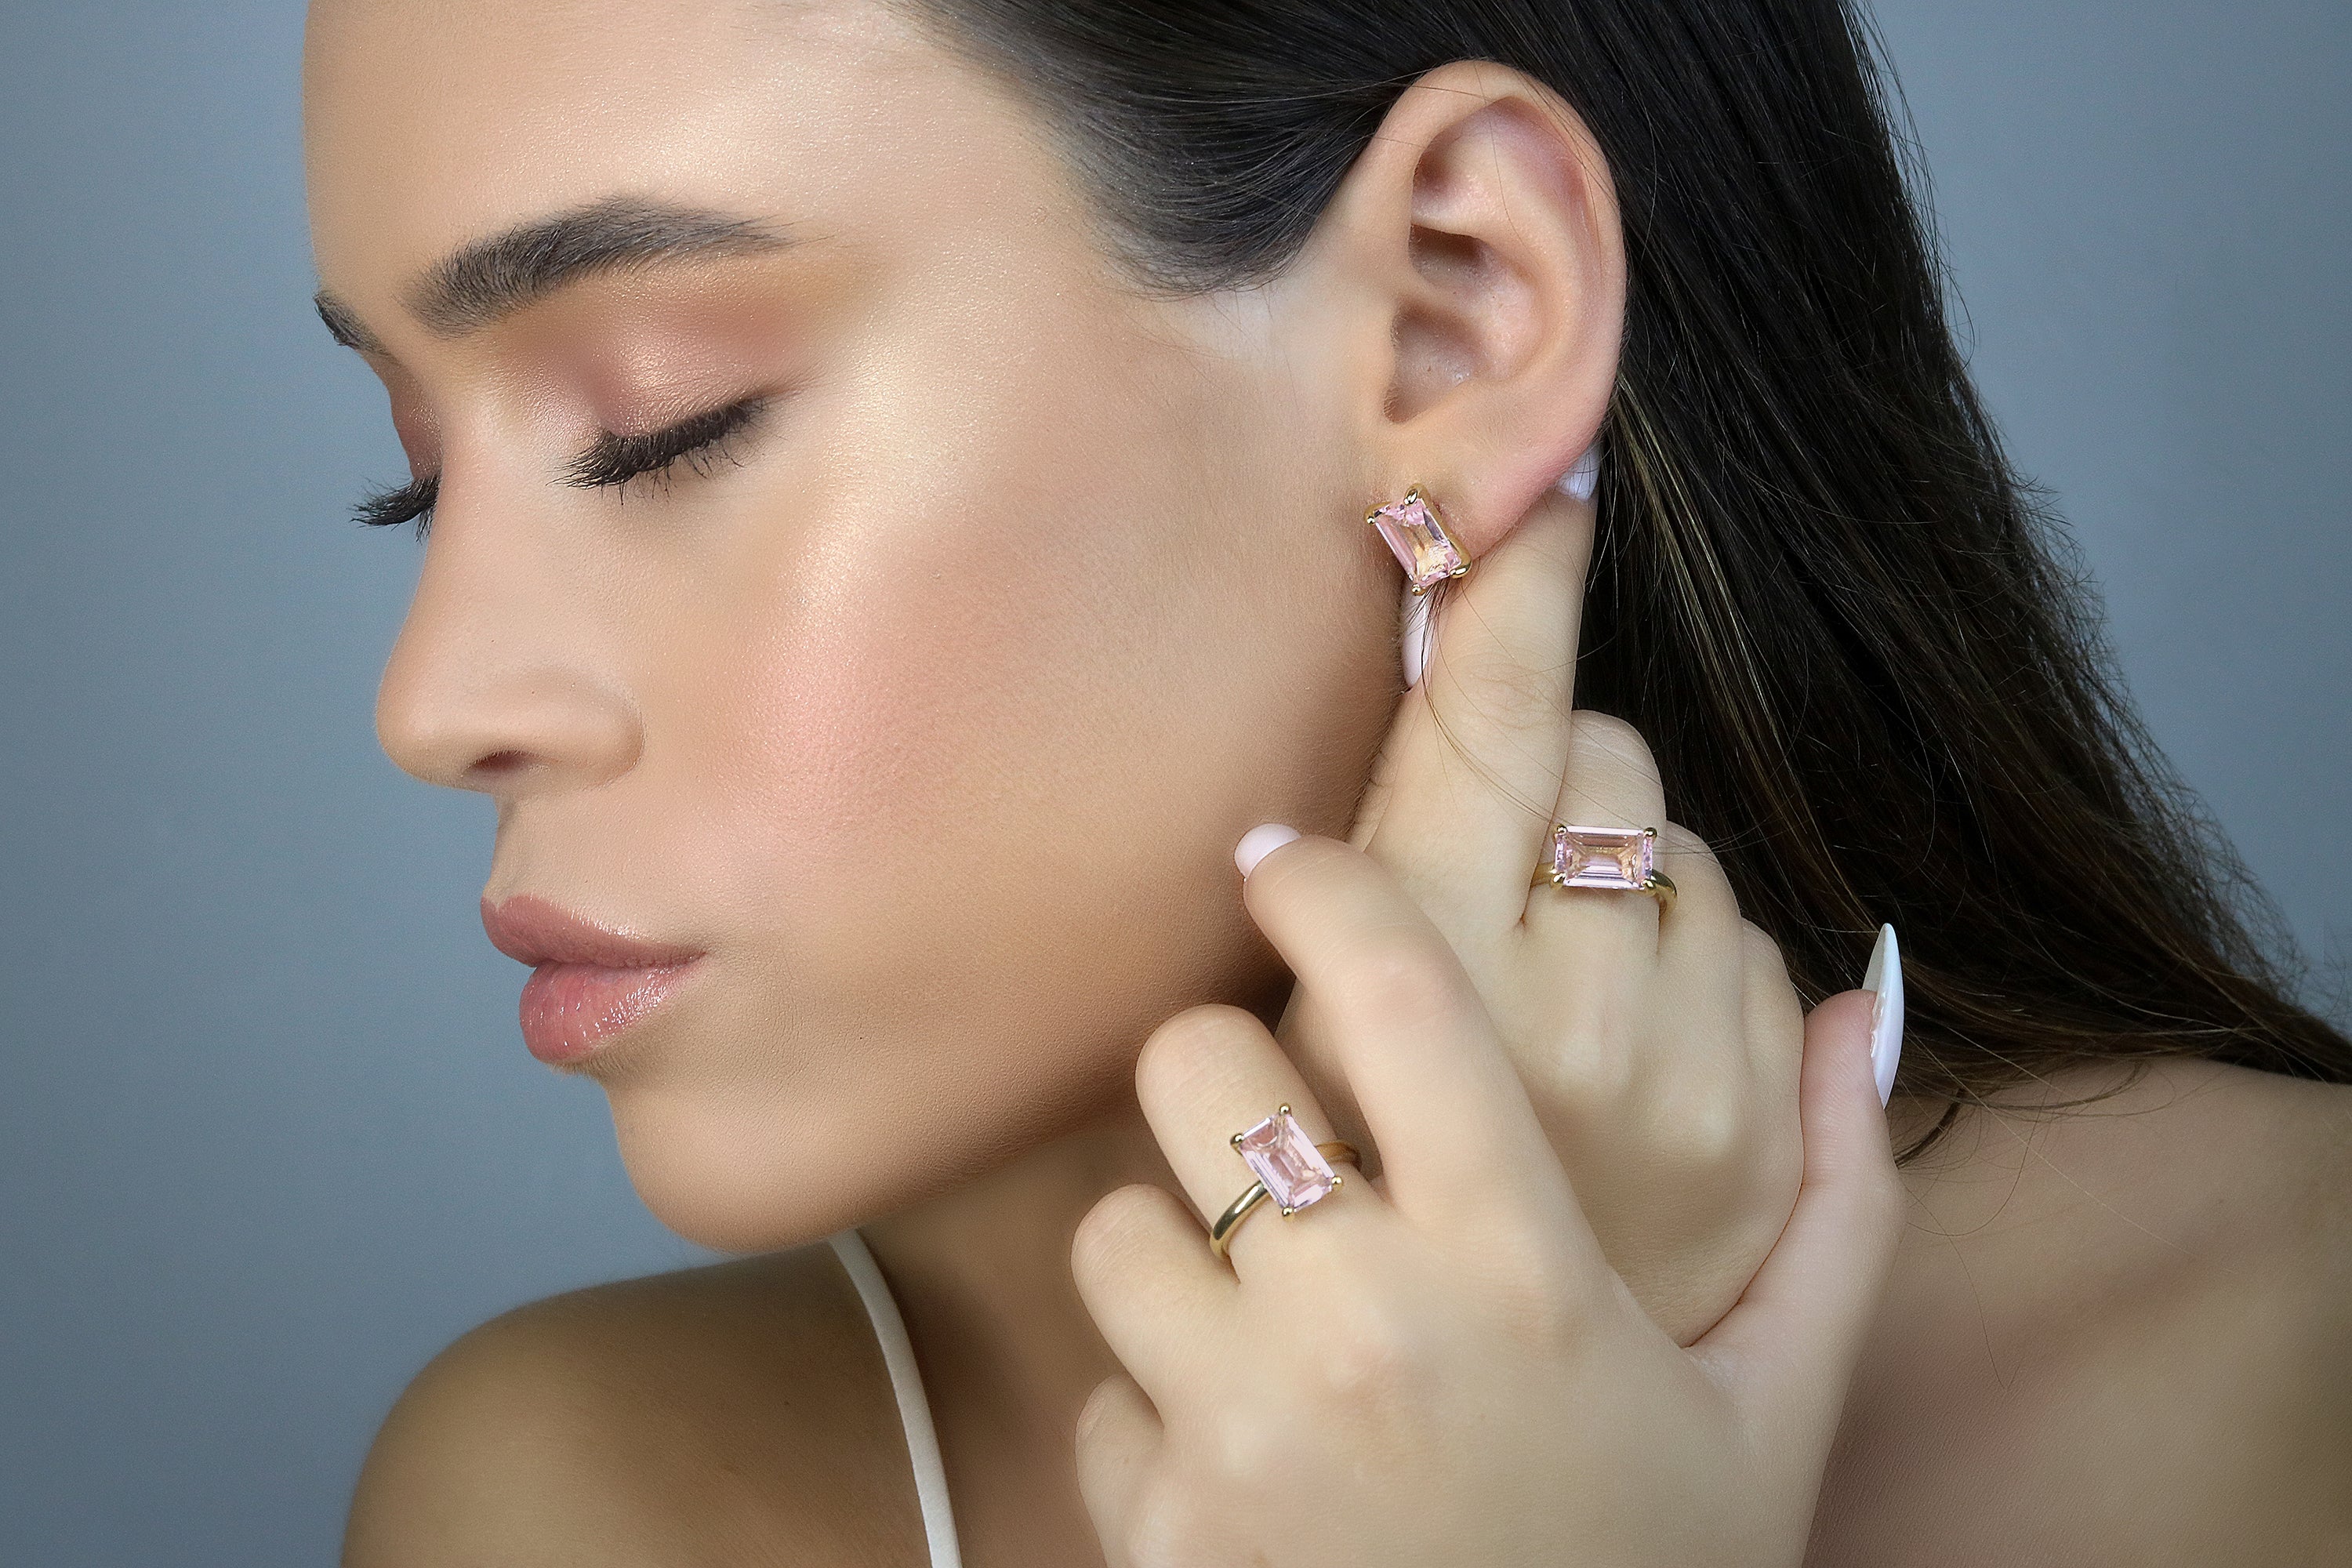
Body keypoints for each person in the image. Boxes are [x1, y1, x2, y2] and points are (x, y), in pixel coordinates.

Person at [303, 1, 2352, 1563]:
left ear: (1457, 319)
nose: (435, 700)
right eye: (416, 473)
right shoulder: (575, 1503)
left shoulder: (2303, 1372)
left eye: (670, 425)